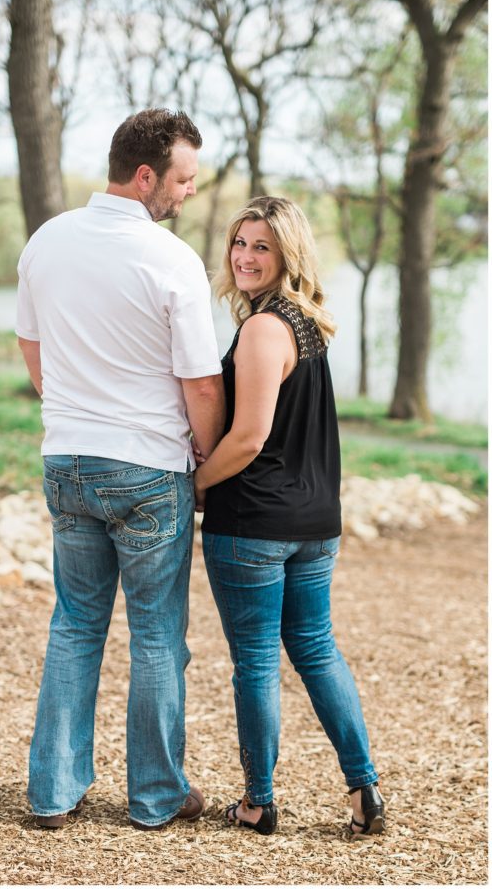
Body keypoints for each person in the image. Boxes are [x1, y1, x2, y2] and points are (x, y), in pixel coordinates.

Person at [16, 108, 225, 831]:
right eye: (184, 178)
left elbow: (31, 346)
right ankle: (157, 795)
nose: (189, 192)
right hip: (147, 470)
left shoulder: (47, 241)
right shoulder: (169, 259)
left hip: (67, 459)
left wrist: (74, 411)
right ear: (146, 177)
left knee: (74, 626)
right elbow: (201, 384)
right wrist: (204, 456)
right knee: (158, 634)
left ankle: (52, 791)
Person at [194, 196, 385, 837]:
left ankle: (258, 801)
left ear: (287, 256)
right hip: (313, 524)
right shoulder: (309, 326)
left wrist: (197, 485)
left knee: (255, 660)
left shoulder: (261, 330)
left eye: (262, 247)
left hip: (252, 523)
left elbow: (248, 437)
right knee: (317, 650)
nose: (245, 257)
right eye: (239, 243)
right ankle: (364, 788)